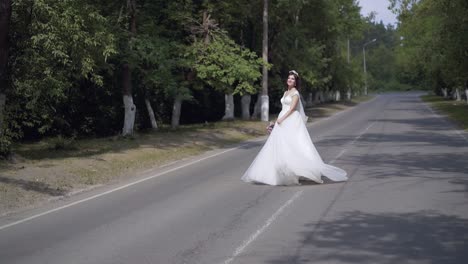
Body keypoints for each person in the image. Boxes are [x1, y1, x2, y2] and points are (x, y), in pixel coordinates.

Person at [241, 70, 348, 185]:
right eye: (289, 78)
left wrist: (282, 119)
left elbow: (292, 109)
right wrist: (275, 121)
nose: (290, 80)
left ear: (296, 82)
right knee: (278, 145)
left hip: (291, 120)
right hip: (282, 118)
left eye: (292, 79)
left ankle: (296, 171)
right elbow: (283, 108)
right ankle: (275, 173)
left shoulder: (295, 93)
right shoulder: (286, 92)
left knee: (293, 145)